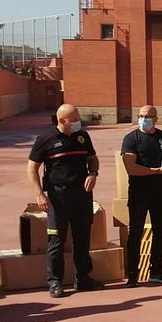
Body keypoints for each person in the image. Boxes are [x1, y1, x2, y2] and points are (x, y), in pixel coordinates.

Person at [25, 104, 103, 297]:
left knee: (82, 237)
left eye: (78, 118)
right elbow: (31, 168)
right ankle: (55, 282)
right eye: (74, 119)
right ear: (62, 121)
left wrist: (93, 174)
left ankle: (83, 278)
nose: (78, 122)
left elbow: (92, 159)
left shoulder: (83, 137)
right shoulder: (46, 139)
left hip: (82, 195)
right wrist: (39, 195)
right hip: (58, 197)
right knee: (56, 240)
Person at [120, 105, 162, 287]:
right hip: (138, 192)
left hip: (160, 191)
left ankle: (156, 270)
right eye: (141, 116)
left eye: (148, 116)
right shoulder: (131, 139)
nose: (144, 119)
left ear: (156, 119)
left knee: (159, 232)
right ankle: (133, 275)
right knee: (135, 232)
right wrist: (157, 170)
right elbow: (131, 168)